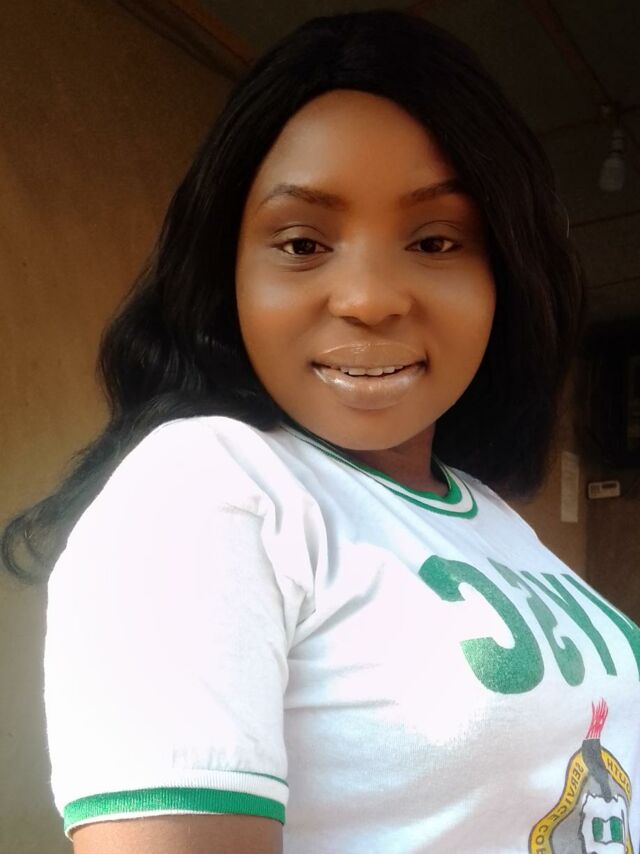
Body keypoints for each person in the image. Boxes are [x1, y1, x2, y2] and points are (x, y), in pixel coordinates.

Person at [3, 9, 639, 854]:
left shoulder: (484, 511)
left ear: (506, 277)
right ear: (228, 274)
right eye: (302, 243)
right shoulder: (206, 487)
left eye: (436, 240)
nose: (369, 298)